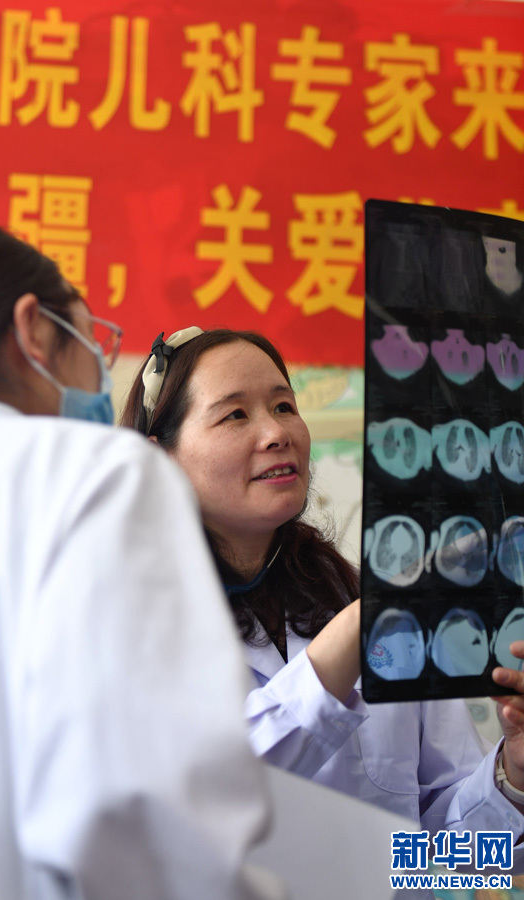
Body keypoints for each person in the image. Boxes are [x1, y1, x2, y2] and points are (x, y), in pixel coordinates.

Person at [0, 226, 287, 900]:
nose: (100, 370)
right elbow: (143, 816)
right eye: (90, 339)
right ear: (33, 331)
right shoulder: (96, 471)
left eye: (283, 405)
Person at [121, 326, 524, 862]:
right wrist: (358, 628)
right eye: (235, 414)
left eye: (284, 406)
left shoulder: (360, 599)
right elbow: (197, 806)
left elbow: (447, 862)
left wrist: (512, 780)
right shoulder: (126, 627)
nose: (276, 432)